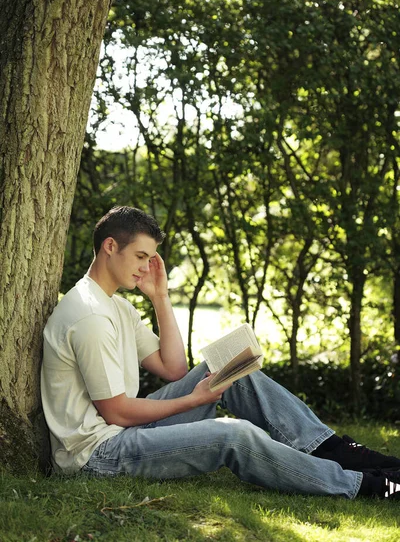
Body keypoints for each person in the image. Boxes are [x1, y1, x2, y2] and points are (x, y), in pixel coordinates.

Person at [41, 206, 400, 500]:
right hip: (97, 454)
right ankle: (364, 485)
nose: (146, 266)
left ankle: (334, 449)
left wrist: (160, 297)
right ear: (109, 247)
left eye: (150, 258)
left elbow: (173, 368)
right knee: (233, 435)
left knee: (232, 371)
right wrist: (193, 400)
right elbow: (116, 410)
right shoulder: (88, 315)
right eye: (140, 256)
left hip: (119, 430)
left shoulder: (116, 307)